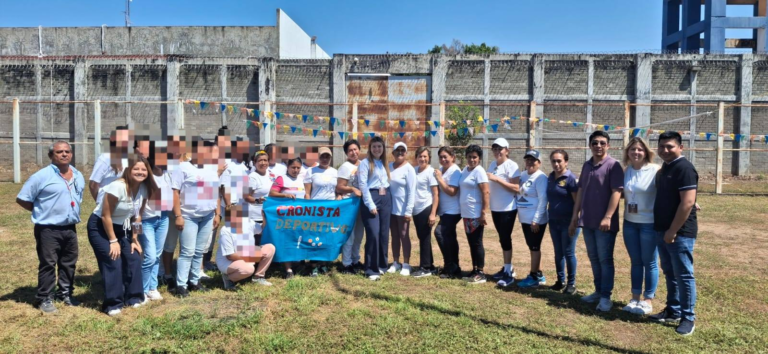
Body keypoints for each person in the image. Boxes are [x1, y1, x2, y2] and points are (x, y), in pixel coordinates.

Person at [16, 141, 85, 314]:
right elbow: (22, 198)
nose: (64, 154)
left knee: (69, 262)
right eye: (59, 152)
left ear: (71, 154)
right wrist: (40, 210)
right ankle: (44, 298)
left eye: (67, 151)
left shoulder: (77, 175)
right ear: (51, 156)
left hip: (69, 228)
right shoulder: (41, 176)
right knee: (48, 263)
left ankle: (65, 293)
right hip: (47, 229)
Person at [87, 155, 157, 316]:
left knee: (134, 257)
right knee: (113, 260)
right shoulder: (117, 187)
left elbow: (138, 216)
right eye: (136, 169)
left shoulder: (144, 188)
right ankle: (113, 304)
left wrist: (134, 239)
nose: (140, 172)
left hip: (120, 228)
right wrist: (113, 241)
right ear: (128, 170)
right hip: (100, 227)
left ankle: (134, 298)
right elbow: (105, 216)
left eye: (143, 169)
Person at [649, 132, 699, 336]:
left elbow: (687, 203)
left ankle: (688, 317)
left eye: (670, 146)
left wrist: (672, 231)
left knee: (684, 275)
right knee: (670, 272)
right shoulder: (665, 169)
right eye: (661, 147)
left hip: (679, 232)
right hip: (663, 229)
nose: (665, 150)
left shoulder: (684, 168)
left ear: (681, 147)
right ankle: (673, 310)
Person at [569, 131, 624, 312]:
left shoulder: (613, 165)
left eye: (602, 143)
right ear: (590, 145)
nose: (598, 146)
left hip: (604, 223)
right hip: (588, 221)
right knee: (594, 258)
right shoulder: (587, 165)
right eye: (595, 143)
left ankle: (606, 297)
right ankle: (598, 292)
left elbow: (617, 192)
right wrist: (575, 216)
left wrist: (608, 217)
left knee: (605, 259)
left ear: (608, 145)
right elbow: (581, 191)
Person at [171, 138, 221, 298]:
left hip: (207, 216)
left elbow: (216, 192)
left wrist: (217, 213)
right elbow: (175, 192)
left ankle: (194, 281)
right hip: (188, 216)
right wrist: (178, 215)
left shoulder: (211, 169)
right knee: (187, 251)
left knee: (199, 251)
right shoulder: (183, 168)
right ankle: (181, 285)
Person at [621, 137, 659, 316]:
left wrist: (692, 202)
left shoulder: (655, 170)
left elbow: (671, 189)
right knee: (636, 262)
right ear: (627, 152)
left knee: (649, 262)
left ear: (646, 152)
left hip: (649, 224)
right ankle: (635, 297)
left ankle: (648, 300)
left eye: (640, 150)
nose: (636, 152)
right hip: (630, 223)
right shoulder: (626, 171)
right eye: (633, 149)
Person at [205, 129, 250, 272]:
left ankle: (230, 259)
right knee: (212, 232)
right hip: (223, 203)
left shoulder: (239, 164)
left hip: (236, 203)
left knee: (233, 234)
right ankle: (206, 260)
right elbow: (223, 186)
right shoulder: (220, 162)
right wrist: (228, 203)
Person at [138, 141, 173, 302]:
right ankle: (142, 290)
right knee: (149, 256)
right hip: (146, 219)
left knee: (157, 255)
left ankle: (153, 287)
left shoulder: (167, 174)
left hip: (163, 217)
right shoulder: (146, 173)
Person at [485, 138, 521, 287]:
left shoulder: (512, 165)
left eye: (500, 149)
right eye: (494, 149)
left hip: (508, 208)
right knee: (502, 238)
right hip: (495, 208)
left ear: (507, 150)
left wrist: (497, 179)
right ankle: (507, 267)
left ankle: (508, 273)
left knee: (505, 238)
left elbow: (517, 187)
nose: (497, 151)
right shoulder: (492, 164)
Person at [546, 149, 580, 295]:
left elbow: (577, 202)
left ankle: (571, 284)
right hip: (553, 221)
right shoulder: (550, 177)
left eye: (559, 161)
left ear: (566, 162)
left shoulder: (571, 178)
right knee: (558, 252)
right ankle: (560, 281)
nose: (556, 164)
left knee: (568, 252)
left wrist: (574, 221)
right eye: (553, 161)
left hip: (568, 222)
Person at [217, 204, 275, 289]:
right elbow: (230, 256)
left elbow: (262, 229)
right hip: (228, 261)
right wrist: (251, 256)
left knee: (270, 248)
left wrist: (264, 216)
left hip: (247, 253)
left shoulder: (249, 223)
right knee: (248, 269)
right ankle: (228, 279)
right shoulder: (225, 230)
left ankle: (258, 277)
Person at [358, 136, 392, 281]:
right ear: (370, 149)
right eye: (374, 147)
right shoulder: (365, 163)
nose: (377, 149)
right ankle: (371, 269)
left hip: (385, 197)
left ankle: (382, 265)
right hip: (371, 197)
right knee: (373, 233)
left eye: (379, 146)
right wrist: (370, 204)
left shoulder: (384, 163)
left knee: (384, 233)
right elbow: (363, 185)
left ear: (383, 148)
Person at [515, 150, 550, 288]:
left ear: (539, 163)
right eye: (527, 159)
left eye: (533, 160)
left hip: (535, 221)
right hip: (524, 218)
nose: (530, 162)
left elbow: (543, 200)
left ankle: (533, 276)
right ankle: (539, 273)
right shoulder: (523, 175)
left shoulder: (540, 177)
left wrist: (536, 220)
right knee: (531, 247)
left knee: (535, 247)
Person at [458, 145, 490, 284]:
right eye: (470, 157)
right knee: (471, 242)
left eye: (475, 157)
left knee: (477, 242)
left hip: (476, 213)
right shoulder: (465, 170)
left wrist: (483, 212)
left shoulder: (479, 172)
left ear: (479, 158)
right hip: (466, 213)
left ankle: (481, 272)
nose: (472, 159)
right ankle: (474, 269)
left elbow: (486, 192)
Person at [269, 157, 306, 279]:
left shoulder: (301, 180)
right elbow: (272, 193)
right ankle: (288, 269)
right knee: (287, 241)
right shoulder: (282, 178)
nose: (295, 170)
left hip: (300, 217)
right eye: (293, 167)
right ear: (288, 167)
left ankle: (298, 262)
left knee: (298, 239)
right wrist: (285, 195)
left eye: (298, 168)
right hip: (286, 218)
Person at [304, 147, 338, 277]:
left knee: (327, 236)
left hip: (330, 210)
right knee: (315, 236)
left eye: (327, 157)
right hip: (316, 210)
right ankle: (313, 265)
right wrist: (308, 208)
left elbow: (337, 190)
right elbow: (307, 193)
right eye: (323, 156)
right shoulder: (311, 171)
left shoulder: (335, 172)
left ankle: (324, 263)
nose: (325, 159)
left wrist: (338, 198)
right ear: (318, 157)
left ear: (330, 158)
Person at [387, 142, 417, 276]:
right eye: (397, 150)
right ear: (393, 153)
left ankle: (406, 263)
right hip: (390, 209)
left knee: (404, 235)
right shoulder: (389, 167)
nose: (400, 153)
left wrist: (408, 210)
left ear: (406, 153)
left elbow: (412, 191)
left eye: (402, 150)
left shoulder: (409, 169)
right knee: (394, 236)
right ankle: (395, 262)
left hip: (403, 209)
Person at [433, 147, 462, 279]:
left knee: (439, 232)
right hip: (445, 211)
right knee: (450, 237)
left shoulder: (455, 171)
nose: (443, 159)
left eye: (445, 157)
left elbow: (452, 191)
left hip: (453, 210)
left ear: (452, 157)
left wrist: (439, 179)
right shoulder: (444, 170)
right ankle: (455, 266)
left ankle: (450, 265)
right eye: (441, 157)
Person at [337, 140, 365, 274]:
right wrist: (353, 189)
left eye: (355, 149)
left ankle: (355, 260)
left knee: (359, 235)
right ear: (346, 153)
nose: (354, 152)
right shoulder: (345, 166)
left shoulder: (364, 164)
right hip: (349, 205)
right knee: (350, 235)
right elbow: (340, 187)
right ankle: (346, 263)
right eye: (350, 150)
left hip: (362, 205)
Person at [410, 146, 439, 278]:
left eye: (425, 156)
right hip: (416, 210)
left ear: (429, 158)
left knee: (425, 237)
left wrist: (433, 213)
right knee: (422, 237)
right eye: (420, 156)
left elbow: (435, 194)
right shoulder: (414, 170)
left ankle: (425, 267)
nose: (422, 159)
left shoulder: (430, 172)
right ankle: (430, 265)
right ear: (416, 158)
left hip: (425, 207)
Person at [89, 126, 129, 207]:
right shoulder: (105, 158)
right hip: (106, 206)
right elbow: (93, 185)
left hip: (122, 205)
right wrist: (101, 204)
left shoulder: (128, 158)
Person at [244, 150, 272, 243]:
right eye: (260, 160)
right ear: (254, 162)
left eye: (265, 160)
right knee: (257, 246)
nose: (263, 163)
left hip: (269, 215)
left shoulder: (271, 174)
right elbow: (246, 196)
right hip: (256, 217)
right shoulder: (252, 177)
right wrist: (257, 200)